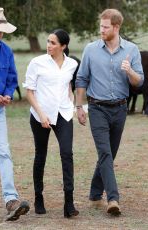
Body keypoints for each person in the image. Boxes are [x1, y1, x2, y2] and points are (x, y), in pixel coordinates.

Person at [75, 9, 144, 215]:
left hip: (120, 109)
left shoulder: (131, 50)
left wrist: (129, 71)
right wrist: (79, 106)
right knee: (104, 152)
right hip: (97, 108)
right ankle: (113, 198)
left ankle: (95, 192)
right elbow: (82, 79)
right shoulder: (90, 49)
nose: (101, 30)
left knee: (109, 153)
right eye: (101, 26)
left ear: (116, 27)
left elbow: (139, 82)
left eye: (105, 27)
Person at [24, 29, 79, 218]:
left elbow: (69, 85)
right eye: (48, 41)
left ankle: (69, 204)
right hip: (40, 115)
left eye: (53, 43)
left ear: (63, 46)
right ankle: (38, 197)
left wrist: (73, 103)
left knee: (67, 154)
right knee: (41, 155)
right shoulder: (37, 62)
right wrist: (42, 114)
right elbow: (29, 92)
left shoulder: (72, 64)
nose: (49, 45)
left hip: (63, 114)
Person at [0, 7, 30, 221]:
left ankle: (11, 199)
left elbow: (11, 78)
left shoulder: (6, 51)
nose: (0, 34)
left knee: (4, 153)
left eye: (1, 30)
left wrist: (8, 95)